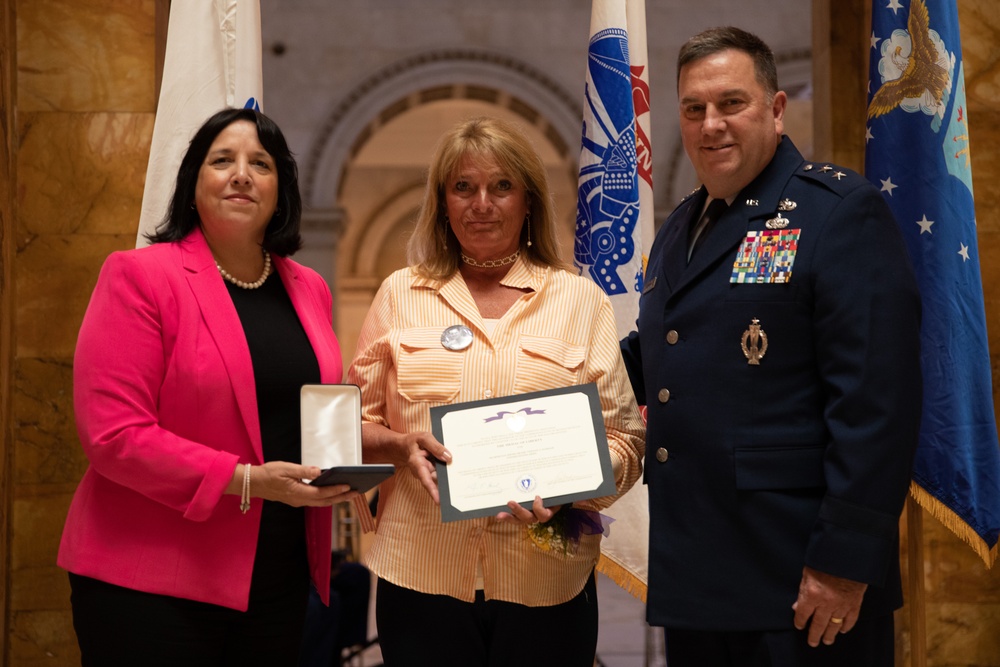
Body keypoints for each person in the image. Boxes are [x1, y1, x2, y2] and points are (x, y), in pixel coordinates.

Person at [620, 27, 922, 666]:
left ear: (776, 110)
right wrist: (541, 399)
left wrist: (843, 562)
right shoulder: (683, 226)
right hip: (701, 580)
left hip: (800, 586)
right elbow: (659, 354)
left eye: (732, 103)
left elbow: (877, 406)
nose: (711, 125)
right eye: (695, 108)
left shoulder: (838, 213)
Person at [58, 108, 357, 667]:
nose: (241, 174)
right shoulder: (140, 276)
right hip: (153, 579)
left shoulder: (309, 287)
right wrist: (247, 480)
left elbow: (299, 416)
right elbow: (113, 436)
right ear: (193, 184)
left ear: (280, 190)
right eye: (222, 161)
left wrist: (381, 445)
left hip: (276, 579)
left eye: (260, 164)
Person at [347, 116, 645, 667]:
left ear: (527, 200)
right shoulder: (400, 294)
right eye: (463, 187)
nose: (481, 203)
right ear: (443, 203)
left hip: (547, 583)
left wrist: (569, 490)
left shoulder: (581, 302)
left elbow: (625, 439)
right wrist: (398, 446)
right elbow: (347, 430)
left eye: (501, 186)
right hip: (420, 577)